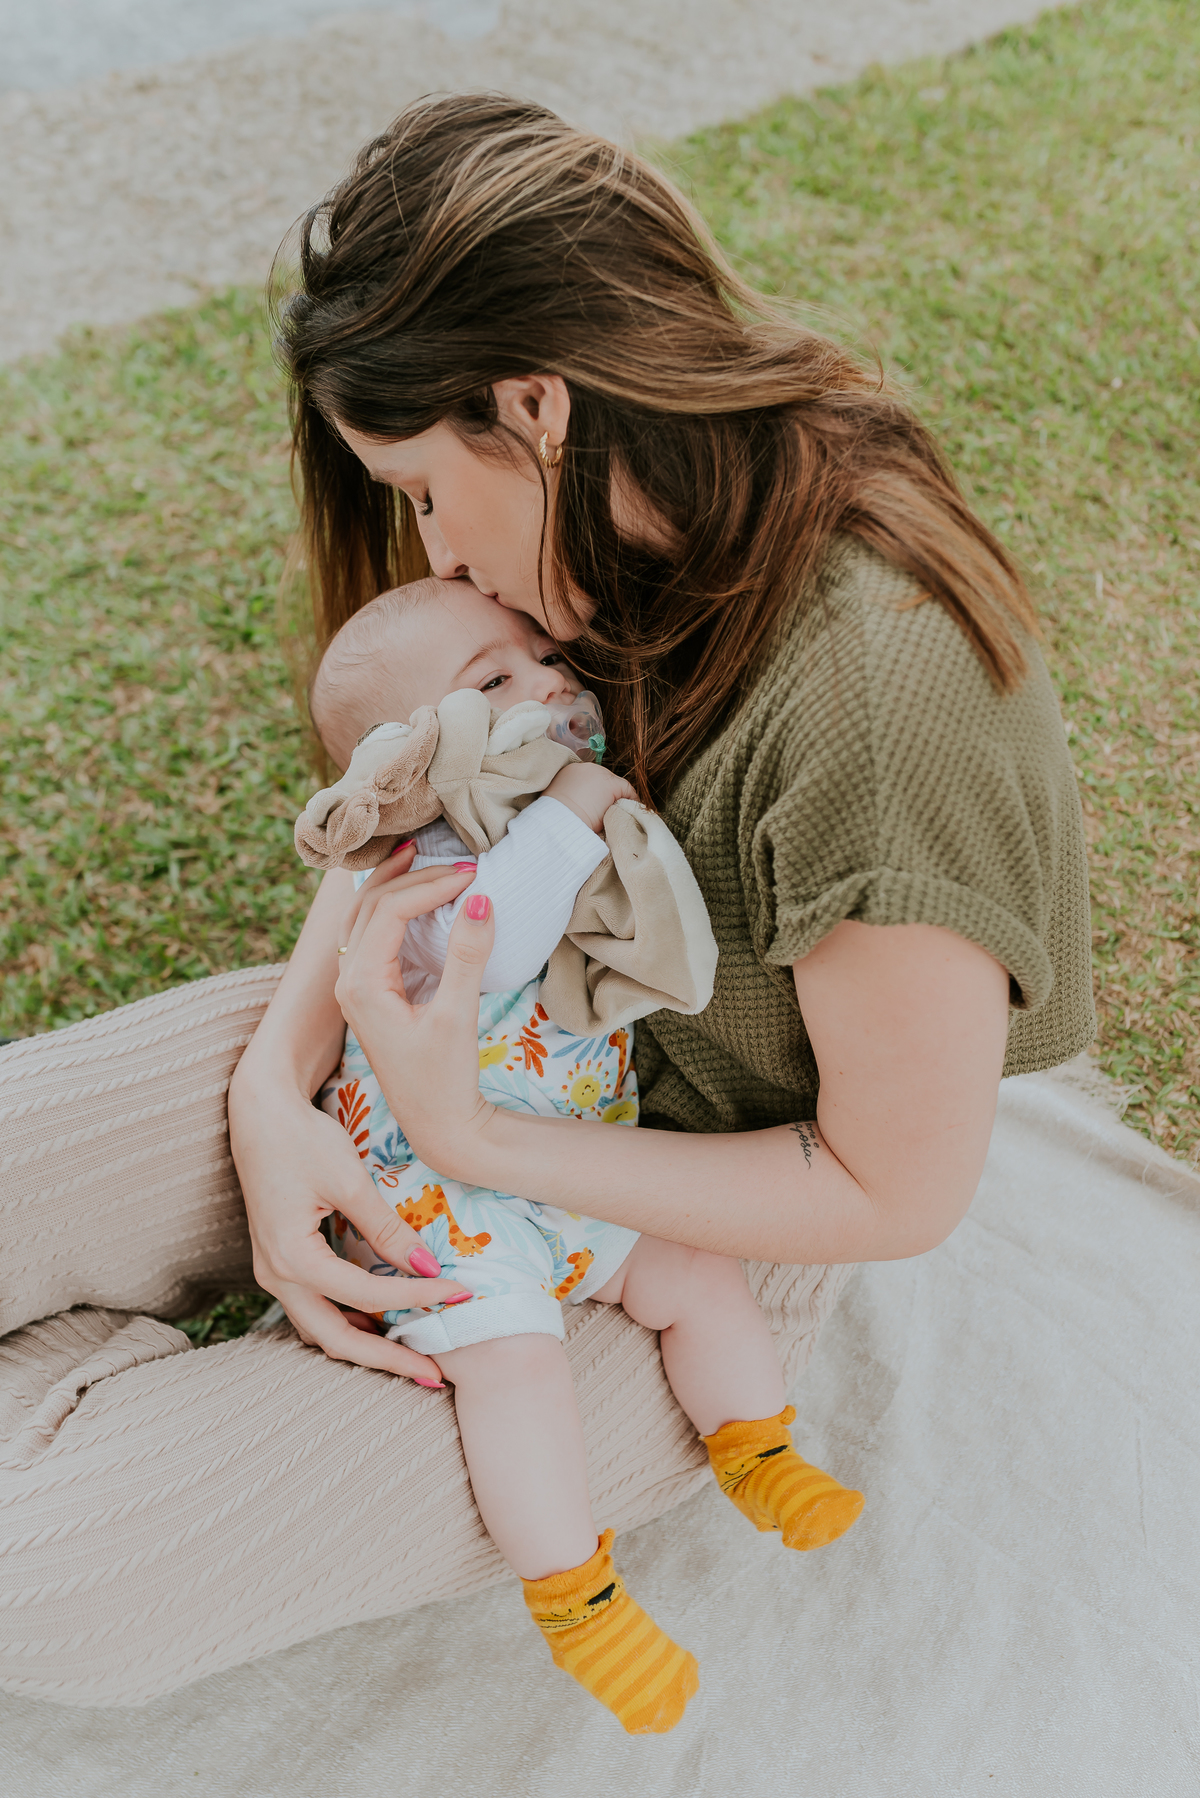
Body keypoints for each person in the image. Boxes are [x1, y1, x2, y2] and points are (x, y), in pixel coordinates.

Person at [0, 92, 1093, 1708]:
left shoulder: (880, 701)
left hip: (664, 1211)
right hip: (424, 1054)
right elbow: (438, 791)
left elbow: (887, 1184)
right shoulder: (604, 550)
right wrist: (268, 1090)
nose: (427, 550)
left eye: (428, 489)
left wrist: (479, 1145)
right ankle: (184, 1357)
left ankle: (186, 1400)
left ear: (538, 402)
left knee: (50, 1590)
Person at [298, 575, 863, 1731]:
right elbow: (491, 942)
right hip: (447, 1201)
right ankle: (577, 1596)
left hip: (564, 1166)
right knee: (516, 1361)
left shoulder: (534, 819)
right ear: (414, 752)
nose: (549, 684)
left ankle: (755, 1443)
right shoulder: (412, 868)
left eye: (543, 657)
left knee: (699, 1269)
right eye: (494, 681)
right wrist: (574, 810)